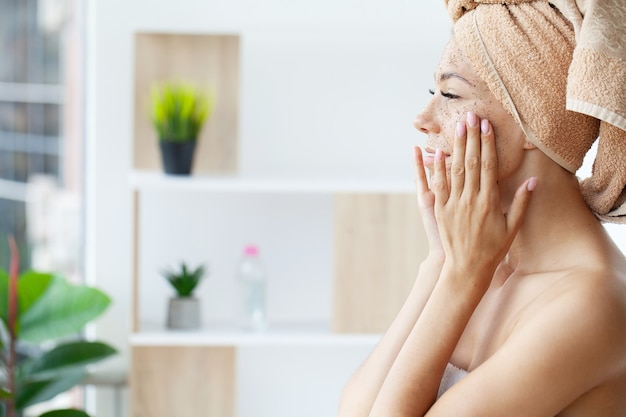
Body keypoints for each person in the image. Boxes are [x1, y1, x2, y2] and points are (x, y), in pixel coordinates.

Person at [338, 0, 626, 416]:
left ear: (534, 123)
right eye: (431, 92)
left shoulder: (592, 303)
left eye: (451, 94)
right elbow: (357, 410)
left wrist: (458, 280)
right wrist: (439, 263)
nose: (423, 119)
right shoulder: (479, 263)